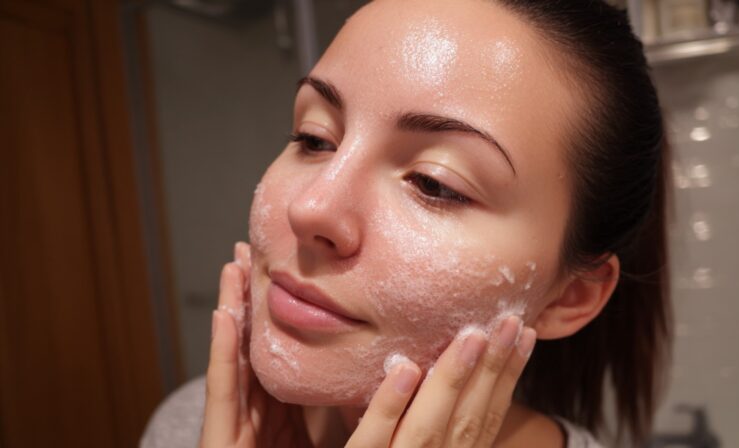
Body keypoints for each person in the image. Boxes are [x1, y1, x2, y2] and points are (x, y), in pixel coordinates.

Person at [142, 0, 672, 446]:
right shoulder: (196, 424)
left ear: (569, 297)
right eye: (314, 138)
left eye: (435, 183)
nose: (310, 208)